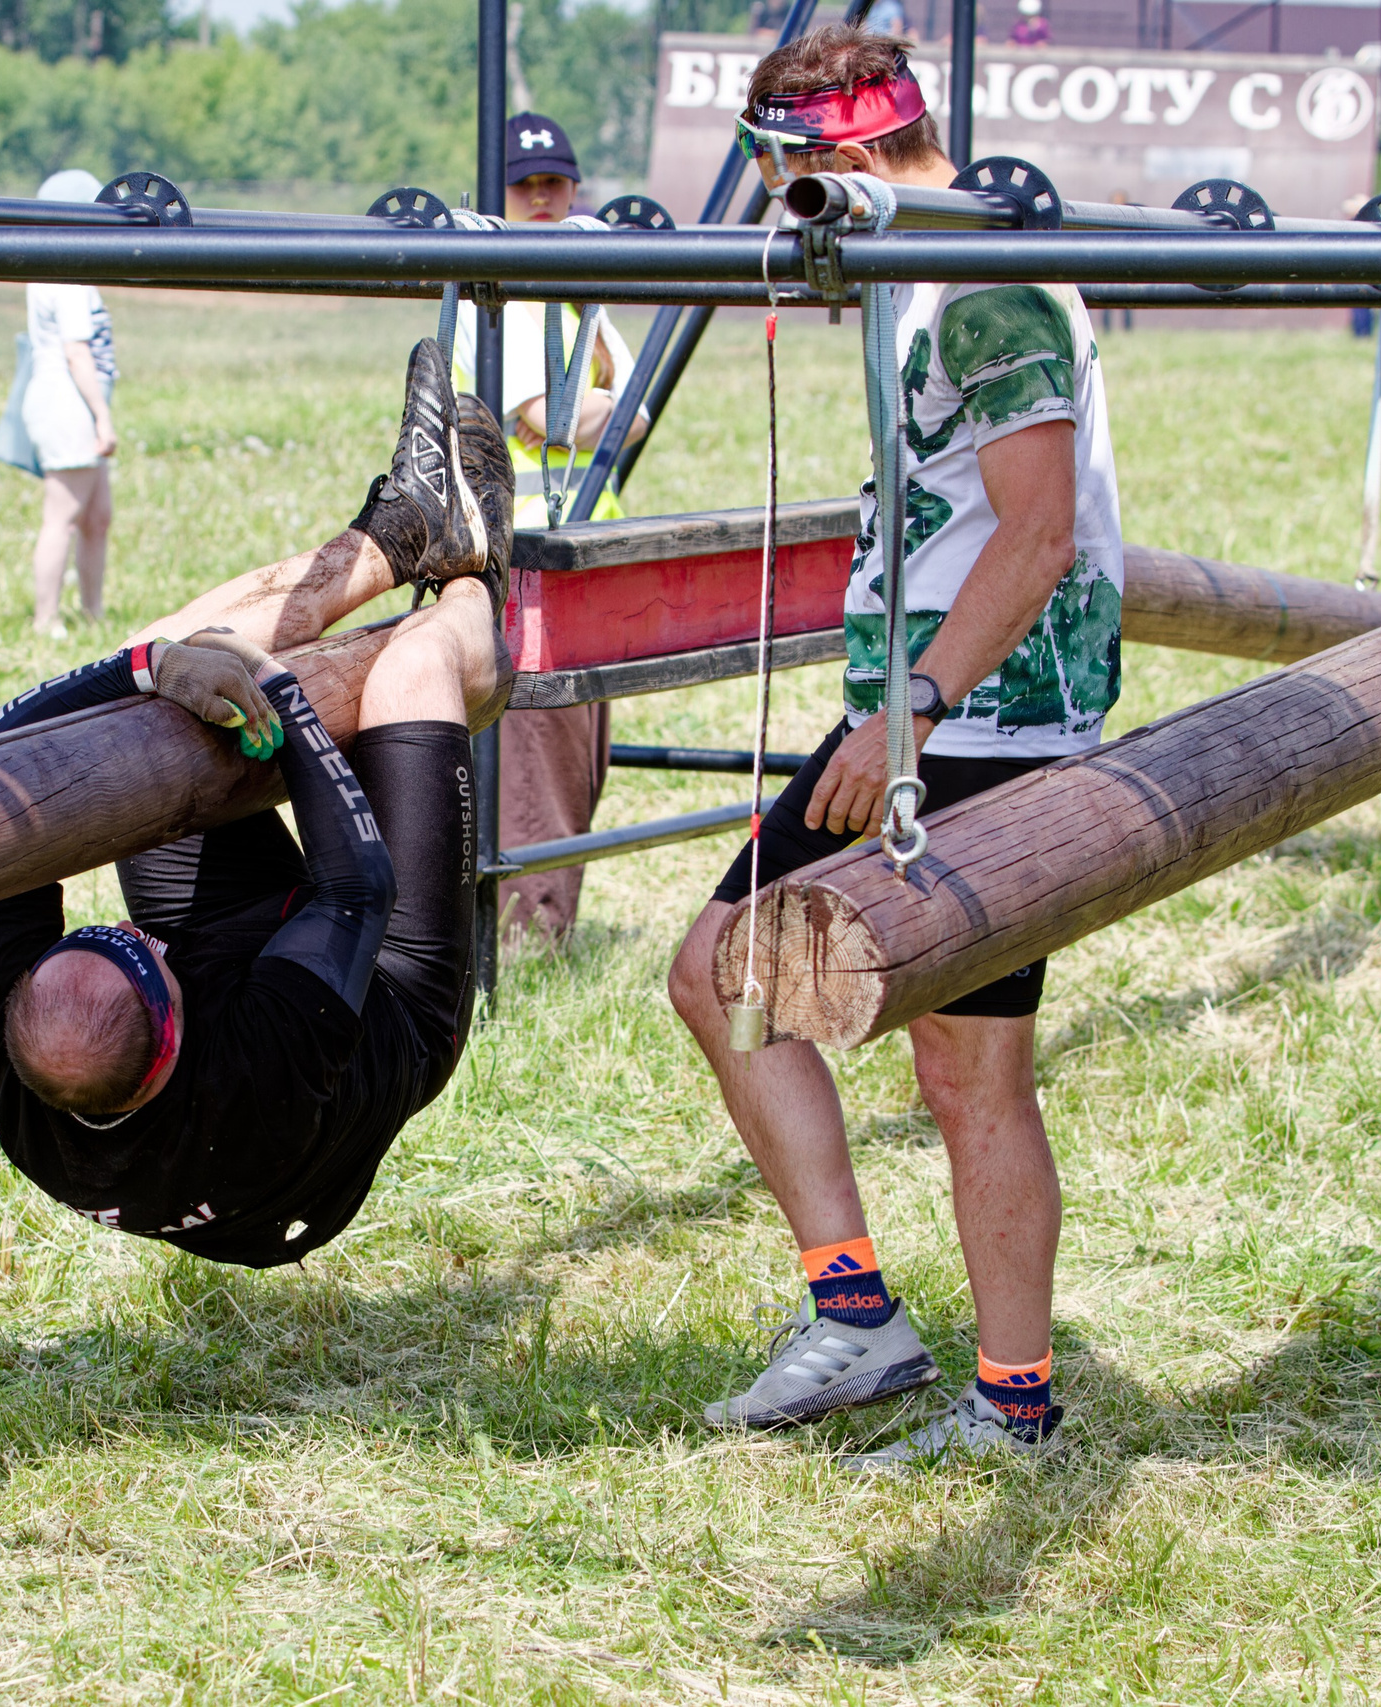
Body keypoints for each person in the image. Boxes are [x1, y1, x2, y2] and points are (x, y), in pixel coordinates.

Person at [666, 26, 1124, 1468]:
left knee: (968, 1073)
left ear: (848, 156)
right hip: (921, 713)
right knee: (723, 972)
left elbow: (1038, 534)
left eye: (788, 181)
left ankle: (1013, 1403)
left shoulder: (980, 286)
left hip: (980, 726)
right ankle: (858, 1312)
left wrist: (911, 706)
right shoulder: (918, 268)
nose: (785, 217)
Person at [0, 341, 516, 1268]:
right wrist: (275, 691)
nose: (139, 931)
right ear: (171, 1037)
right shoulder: (253, 1077)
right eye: (143, 953)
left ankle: (400, 530)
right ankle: (475, 576)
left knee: (153, 690)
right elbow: (357, 892)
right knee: (414, 664)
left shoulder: (28, 1066)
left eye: (108, 935)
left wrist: (153, 666)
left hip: (231, 965)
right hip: (382, 1005)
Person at [452, 112, 651, 944]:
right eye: (524, 184)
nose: (541, 197)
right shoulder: (514, 291)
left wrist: (602, 413)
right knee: (539, 750)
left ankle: (536, 921)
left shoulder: (572, 291)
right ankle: (527, 933)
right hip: (525, 555)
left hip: (578, 551)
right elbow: (555, 416)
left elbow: (633, 412)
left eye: (555, 183)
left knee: (576, 749)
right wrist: (601, 411)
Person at [22, 168, 121, 638]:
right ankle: (46, 619)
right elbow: (76, 353)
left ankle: (92, 610)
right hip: (70, 404)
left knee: (97, 517)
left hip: (74, 401)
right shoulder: (68, 275)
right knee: (60, 518)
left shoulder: (59, 265)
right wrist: (102, 417)